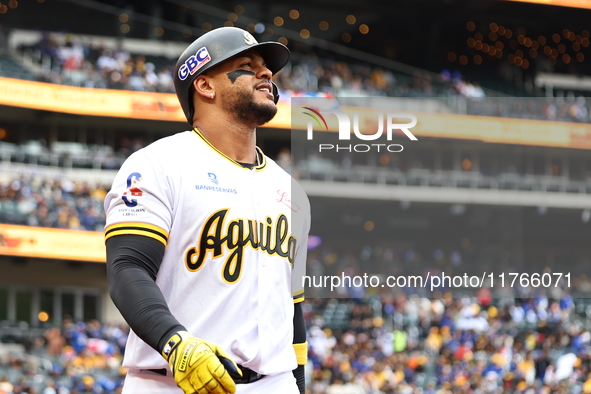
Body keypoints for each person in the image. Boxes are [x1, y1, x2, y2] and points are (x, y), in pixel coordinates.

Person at [104, 27, 310, 394]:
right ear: (205, 86)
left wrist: (298, 385)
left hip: (274, 384)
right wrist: (175, 342)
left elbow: (292, 310)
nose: (267, 74)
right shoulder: (158, 164)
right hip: (172, 380)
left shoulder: (290, 189)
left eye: (267, 68)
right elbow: (128, 268)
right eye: (247, 65)